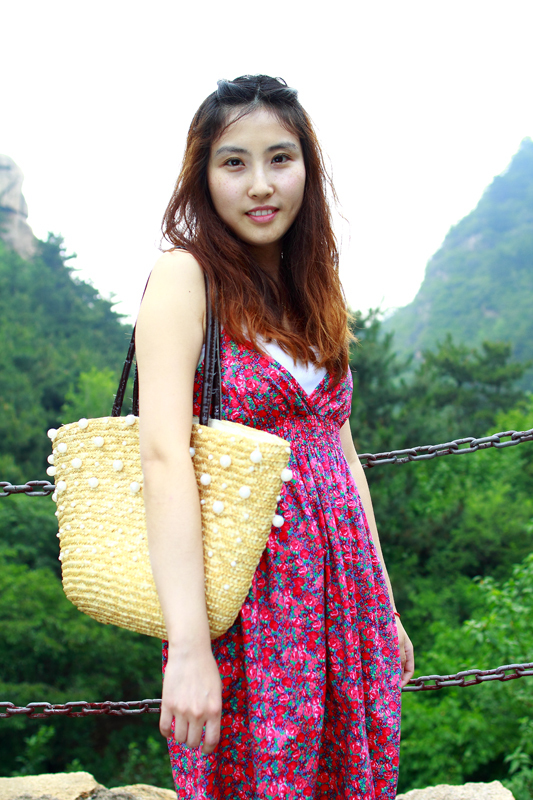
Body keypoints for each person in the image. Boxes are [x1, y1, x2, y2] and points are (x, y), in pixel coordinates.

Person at [135, 74, 414, 800]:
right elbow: (163, 457)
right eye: (234, 162)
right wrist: (188, 647)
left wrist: (383, 604)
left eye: (279, 159)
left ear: (306, 170)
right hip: (254, 604)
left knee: (352, 774)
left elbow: (342, 454)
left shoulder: (312, 286)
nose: (260, 184)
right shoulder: (185, 276)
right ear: (203, 176)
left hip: (346, 595)